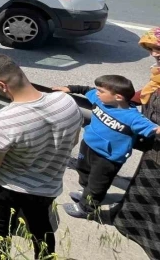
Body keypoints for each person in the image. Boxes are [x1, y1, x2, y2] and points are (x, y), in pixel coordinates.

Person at [0, 54, 83, 259]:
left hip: (7, 187)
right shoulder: (66, 101)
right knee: (41, 227)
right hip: (48, 185)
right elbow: (73, 140)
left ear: (1, 85)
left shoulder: (2, 120)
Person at [53, 75, 160, 219]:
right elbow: (87, 90)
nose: (97, 93)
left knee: (98, 183)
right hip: (89, 145)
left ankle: (87, 208)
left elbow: (155, 129)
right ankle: (86, 192)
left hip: (109, 158)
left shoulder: (133, 118)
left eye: (101, 91)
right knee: (83, 170)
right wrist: (70, 88)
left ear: (118, 97)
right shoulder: (99, 99)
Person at [113, 27, 160, 260]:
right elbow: (148, 92)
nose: (154, 54)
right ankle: (129, 224)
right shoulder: (158, 76)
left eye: (158, 49)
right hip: (154, 146)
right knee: (143, 186)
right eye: (151, 49)